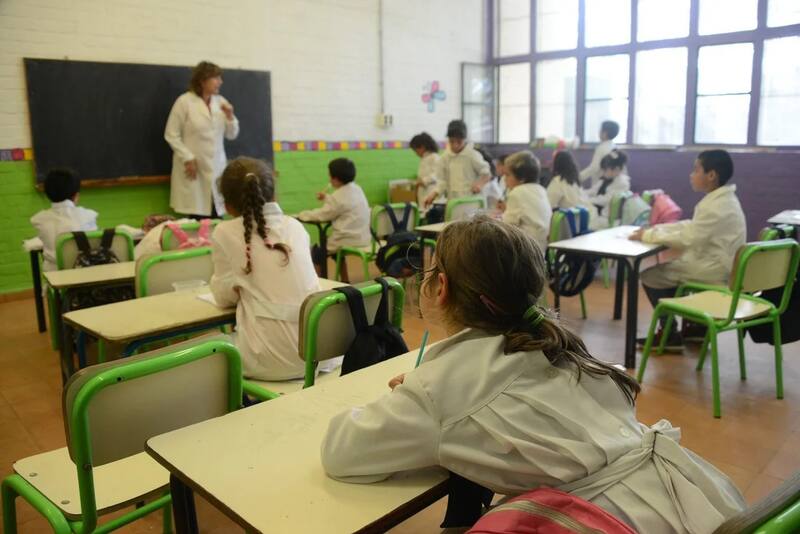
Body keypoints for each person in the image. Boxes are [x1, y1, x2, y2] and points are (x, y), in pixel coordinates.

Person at [320, 216, 746, 533]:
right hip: (690, 498)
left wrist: (412, 400)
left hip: (610, 520)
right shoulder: (558, 347)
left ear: (441, 287)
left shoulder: (440, 390)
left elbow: (341, 452)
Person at [210, 157, 320, 381]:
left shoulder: (224, 232)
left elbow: (223, 298)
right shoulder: (296, 227)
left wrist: (241, 286)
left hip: (269, 362)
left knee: (211, 351)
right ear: (273, 195)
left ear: (228, 205)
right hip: (318, 356)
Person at [631, 149, 746, 350]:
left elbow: (688, 238)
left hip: (713, 269)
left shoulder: (716, 206)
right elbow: (691, 227)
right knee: (669, 270)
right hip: (718, 264)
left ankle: (670, 334)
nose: (691, 174)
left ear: (711, 175)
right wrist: (658, 229)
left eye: (696, 169)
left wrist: (648, 235)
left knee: (651, 275)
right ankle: (697, 327)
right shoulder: (723, 200)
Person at [165, 61, 240, 218]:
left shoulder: (220, 102)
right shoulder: (184, 102)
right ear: (202, 80)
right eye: (216, 78)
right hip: (193, 171)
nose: (220, 82)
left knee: (216, 215)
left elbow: (232, 135)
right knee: (196, 218)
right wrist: (188, 157)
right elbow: (171, 134)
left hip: (217, 167)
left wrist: (230, 116)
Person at [297, 158, 370, 278]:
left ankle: (319, 283)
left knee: (318, 252)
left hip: (347, 239)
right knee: (336, 253)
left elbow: (322, 215)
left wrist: (301, 215)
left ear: (335, 179)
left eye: (330, 176)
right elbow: (342, 204)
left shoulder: (338, 197)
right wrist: (326, 197)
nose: (329, 179)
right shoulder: (357, 189)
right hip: (363, 237)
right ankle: (345, 280)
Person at [31, 168, 98, 271]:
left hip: (55, 278)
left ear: (48, 194)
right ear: (76, 195)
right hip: (85, 274)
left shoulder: (38, 220)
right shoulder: (89, 216)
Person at [423, 120, 491, 212]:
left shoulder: (472, 155)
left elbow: (486, 173)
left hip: (472, 202)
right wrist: (433, 194)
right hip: (453, 203)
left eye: (459, 141)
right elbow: (442, 182)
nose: (455, 145)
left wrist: (479, 184)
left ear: (465, 139)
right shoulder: (445, 158)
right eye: (452, 141)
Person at [498, 151, 551, 251]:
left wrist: (495, 219)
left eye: (508, 175)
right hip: (541, 247)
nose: (504, 179)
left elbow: (507, 225)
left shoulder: (517, 192)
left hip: (525, 249)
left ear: (522, 178)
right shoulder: (541, 190)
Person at [587, 150, 631, 230]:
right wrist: (580, 193)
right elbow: (593, 190)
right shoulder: (607, 179)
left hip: (606, 218)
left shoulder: (622, 183)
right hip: (600, 213)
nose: (603, 172)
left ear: (616, 169)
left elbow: (606, 200)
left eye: (605, 170)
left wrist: (588, 200)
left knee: (583, 223)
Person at [409, 133, 442, 216]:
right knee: (423, 213)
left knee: (430, 215)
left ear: (422, 147)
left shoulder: (434, 157)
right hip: (423, 193)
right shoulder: (423, 159)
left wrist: (423, 181)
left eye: (415, 150)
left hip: (431, 192)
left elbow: (437, 174)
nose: (415, 153)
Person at [580, 120, 619, 186]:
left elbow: (594, 168)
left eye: (600, 130)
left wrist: (577, 178)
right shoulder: (614, 146)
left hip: (601, 184)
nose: (599, 132)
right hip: (611, 184)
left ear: (605, 133)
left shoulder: (601, 148)